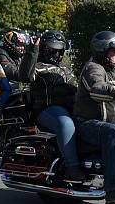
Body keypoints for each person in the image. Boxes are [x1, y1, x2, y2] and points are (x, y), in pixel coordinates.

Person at [73, 31, 115, 203]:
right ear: (103, 51)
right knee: (112, 132)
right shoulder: (93, 68)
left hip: (113, 120)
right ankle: (113, 190)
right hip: (88, 123)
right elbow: (98, 88)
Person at [19, 30, 84, 181]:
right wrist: (32, 50)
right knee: (65, 123)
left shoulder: (65, 69)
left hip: (69, 108)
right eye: (50, 49)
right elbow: (25, 75)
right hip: (46, 110)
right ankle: (72, 166)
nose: (54, 54)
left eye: (57, 51)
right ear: (42, 49)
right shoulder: (37, 67)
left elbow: (79, 88)